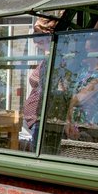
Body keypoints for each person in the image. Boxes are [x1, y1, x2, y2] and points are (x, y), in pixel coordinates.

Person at [20, 15, 60, 151]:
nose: (34, 39)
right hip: (35, 121)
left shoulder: (53, 59)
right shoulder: (45, 58)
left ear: (47, 34)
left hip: (41, 120)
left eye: (37, 33)